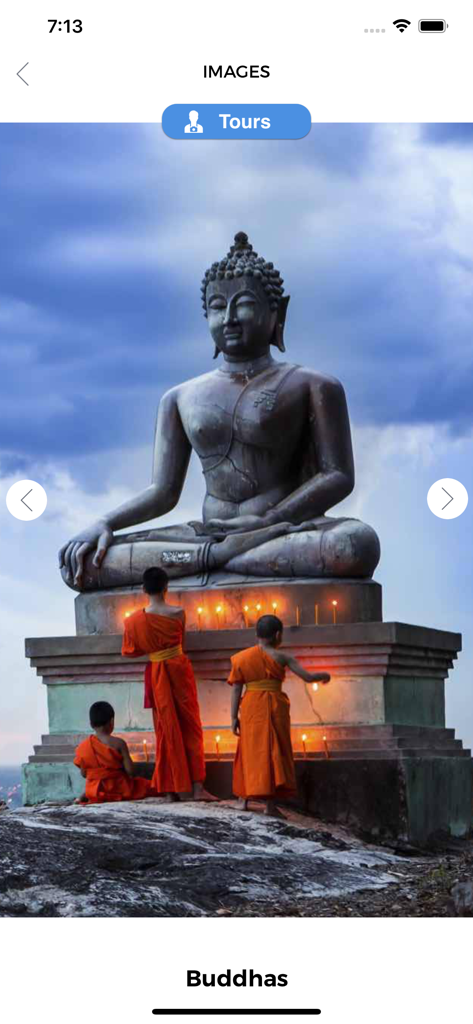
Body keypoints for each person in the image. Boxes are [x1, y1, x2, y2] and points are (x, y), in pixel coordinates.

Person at [122, 567, 217, 802]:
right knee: (191, 728)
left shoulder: (133, 620)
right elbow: (181, 641)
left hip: (157, 674)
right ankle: (197, 788)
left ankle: (170, 789)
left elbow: (130, 651)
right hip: (179, 671)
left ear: (143, 589)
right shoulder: (178, 613)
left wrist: (153, 648)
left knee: (165, 730)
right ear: (166, 588)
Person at [228, 614, 330, 817]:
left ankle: (243, 801)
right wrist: (323, 676)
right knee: (274, 750)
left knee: (249, 750)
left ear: (257, 634)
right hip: (275, 706)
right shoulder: (282, 657)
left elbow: (236, 689)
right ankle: (270, 806)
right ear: (277, 635)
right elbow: (307, 677)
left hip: (250, 708)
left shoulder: (241, 658)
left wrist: (233, 718)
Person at [74, 701, 152, 804]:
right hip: (119, 788)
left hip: (95, 791)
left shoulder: (83, 747)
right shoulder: (119, 743)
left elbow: (84, 774)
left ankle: (84, 796)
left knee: (94, 785)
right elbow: (131, 771)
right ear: (112, 722)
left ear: (91, 724)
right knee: (146, 785)